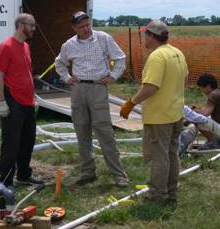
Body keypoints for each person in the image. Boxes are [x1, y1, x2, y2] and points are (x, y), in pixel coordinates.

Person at [55, 11, 128, 187]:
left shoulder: (103, 38)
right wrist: (67, 78)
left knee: (104, 131)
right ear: (74, 28)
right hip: (78, 89)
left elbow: (120, 59)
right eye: (81, 27)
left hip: (98, 87)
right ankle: (88, 172)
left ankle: (119, 174)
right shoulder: (69, 45)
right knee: (81, 130)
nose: (86, 29)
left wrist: (113, 76)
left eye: (88, 24)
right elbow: (59, 63)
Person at [120, 20, 188, 206]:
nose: (144, 39)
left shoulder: (157, 57)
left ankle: (157, 196)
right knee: (171, 154)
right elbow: (185, 80)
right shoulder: (177, 53)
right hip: (176, 113)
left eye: (145, 35)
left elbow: (150, 87)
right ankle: (171, 193)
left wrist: (131, 102)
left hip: (160, 117)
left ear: (151, 35)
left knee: (159, 157)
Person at [0, 13, 43, 187]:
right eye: (32, 25)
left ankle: (23, 175)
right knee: (11, 143)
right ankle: (6, 181)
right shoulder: (6, 46)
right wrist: (1, 101)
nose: (34, 29)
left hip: (28, 102)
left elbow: (26, 73)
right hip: (13, 100)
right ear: (21, 25)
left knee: (28, 140)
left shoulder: (26, 47)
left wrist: (33, 97)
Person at [179, 73, 220, 154]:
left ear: (208, 86)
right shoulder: (217, 92)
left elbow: (205, 114)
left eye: (201, 88)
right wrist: (195, 111)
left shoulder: (213, 95)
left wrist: (189, 115)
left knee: (198, 121)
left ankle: (213, 142)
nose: (202, 91)